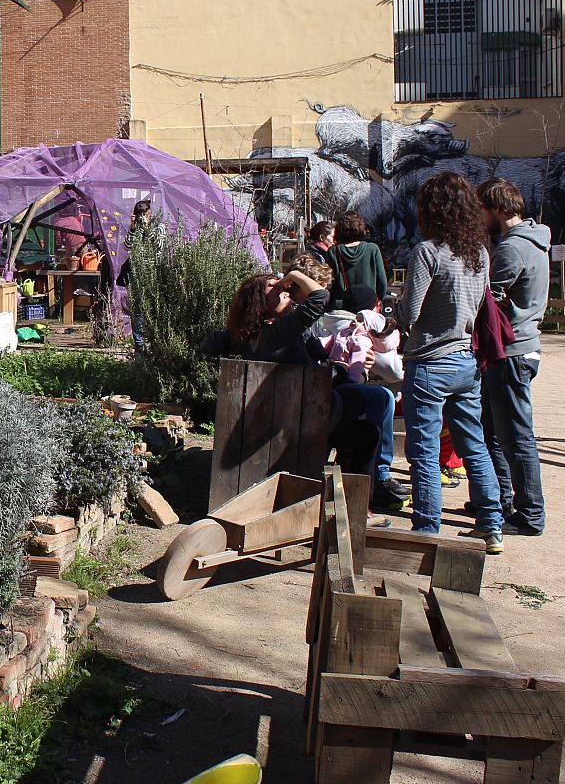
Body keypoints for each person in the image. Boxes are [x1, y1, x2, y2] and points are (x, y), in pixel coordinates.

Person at [198, 269, 403, 508]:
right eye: (276, 288)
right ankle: (364, 498)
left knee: (364, 431)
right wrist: (293, 274)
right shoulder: (279, 333)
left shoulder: (249, 336)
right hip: (307, 418)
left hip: (287, 416)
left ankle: (357, 496)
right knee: (374, 404)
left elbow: (208, 345)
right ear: (259, 302)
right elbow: (320, 297)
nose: (284, 290)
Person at [396, 172, 505, 553]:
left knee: (424, 452)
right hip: (466, 362)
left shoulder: (427, 252)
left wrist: (394, 309)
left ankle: (427, 530)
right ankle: (491, 525)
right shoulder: (479, 253)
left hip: (429, 362)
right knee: (474, 444)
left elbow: (410, 312)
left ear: (430, 210)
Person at [476, 177, 551, 536]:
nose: (480, 218)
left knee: (516, 438)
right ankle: (501, 500)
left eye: (482, 210)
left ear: (497, 209)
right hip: (516, 349)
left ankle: (530, 514)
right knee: (494, 432)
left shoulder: (512, 249)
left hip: (511, 352)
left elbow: (487, 301)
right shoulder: (532, 241)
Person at [328, 211, 388, 311]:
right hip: (369, 306)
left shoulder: (333, 251)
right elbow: (382, 282)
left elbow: (330, 284)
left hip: (342, 307)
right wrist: (378, 301)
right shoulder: (372, 249)